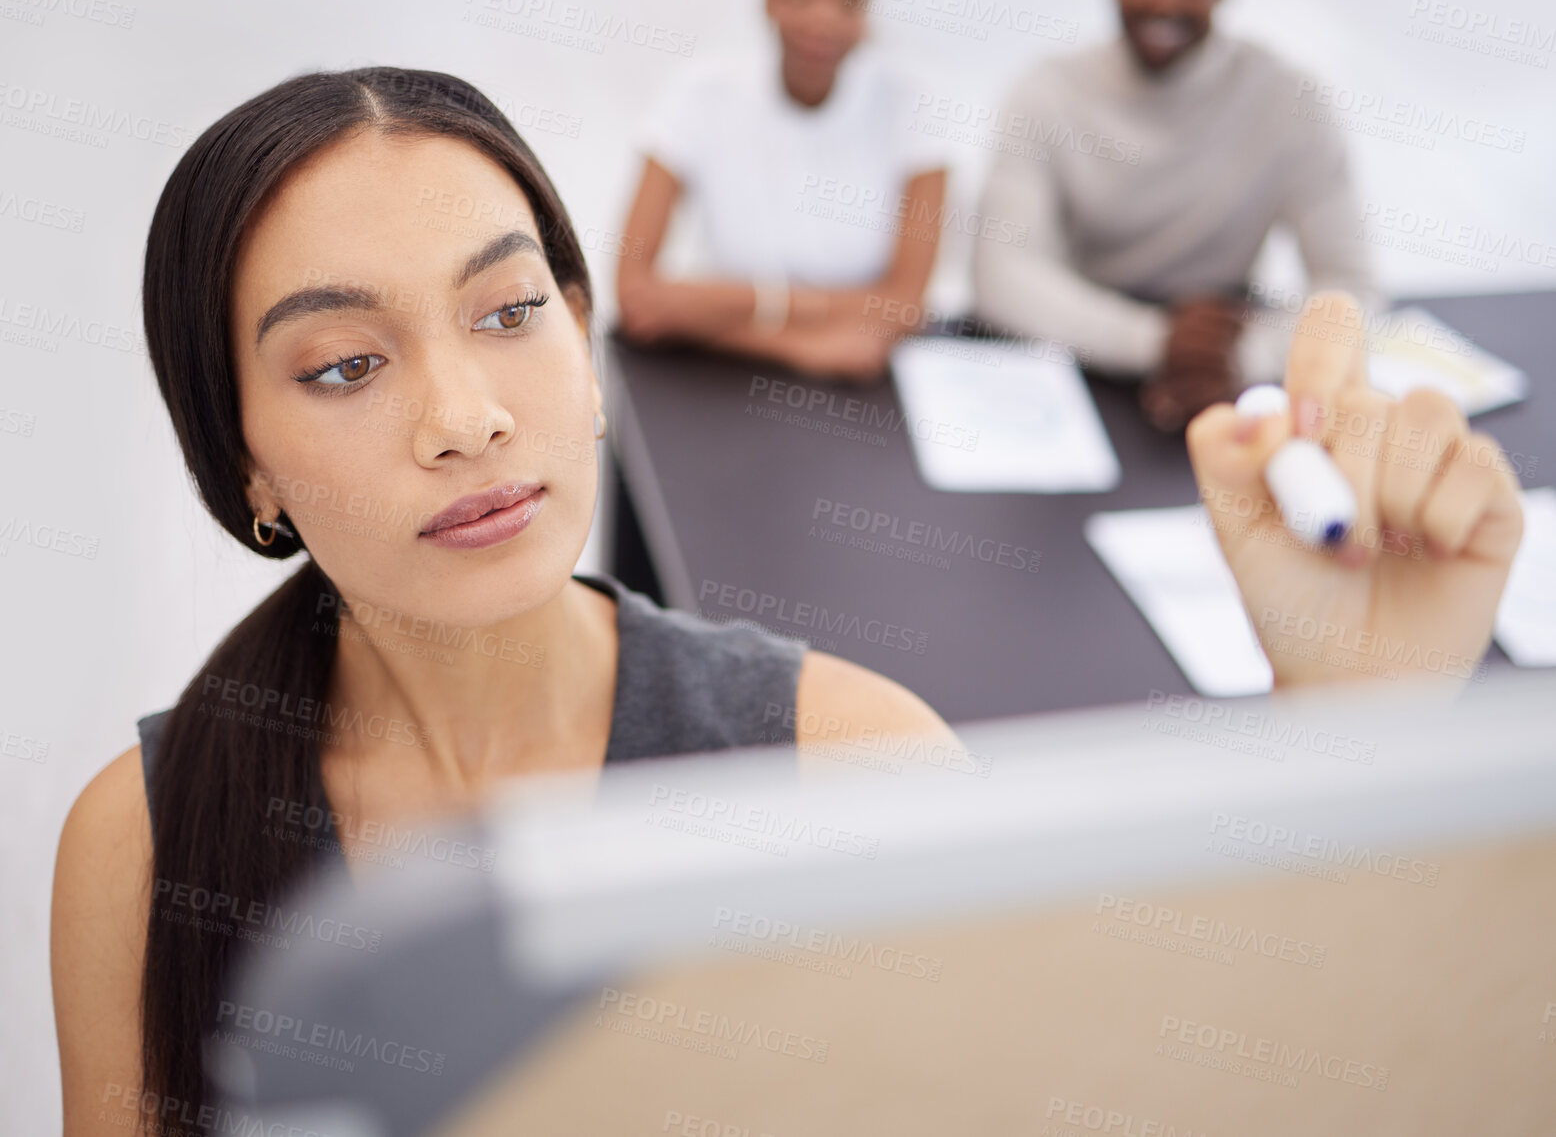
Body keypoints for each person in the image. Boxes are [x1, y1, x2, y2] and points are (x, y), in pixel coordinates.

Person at [51, 68, 1523, 1135]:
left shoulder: (844, 769)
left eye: (510, 313)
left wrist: (1356, 726)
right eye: (343, 366)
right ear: (243, 461)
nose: (465, 415)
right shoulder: (145, 841)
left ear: (586, 343)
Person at [971, 0, 1380, 431]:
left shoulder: (1290, 101)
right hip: (1077, 369)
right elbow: (1001, 274)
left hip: (1226, 374)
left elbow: (1352, 287)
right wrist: (1154, 341)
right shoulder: (1046, 91)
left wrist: (1245, 358)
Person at [615, 0, 949, 384]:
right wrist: (799, 344)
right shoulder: (699, 95)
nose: (824, 17)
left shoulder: (914, 104)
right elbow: (637, 298)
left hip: (864, 391)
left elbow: (906, 306)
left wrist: (708, 306)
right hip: (726, 385)